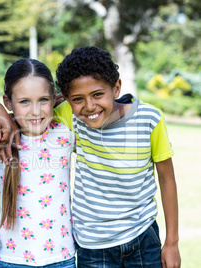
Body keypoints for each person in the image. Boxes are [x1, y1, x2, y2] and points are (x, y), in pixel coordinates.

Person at [54, 46, 181, 268]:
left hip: (142, 237)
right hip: (92, 244)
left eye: (97, 94)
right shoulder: (69, 116)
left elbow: (167, 179)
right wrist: (0, 111)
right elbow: (25, 112)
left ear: (116, 88)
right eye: (77, 99)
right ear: (66, 98)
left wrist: (172, 243)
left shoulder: (149, 120)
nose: (89, 106)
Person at [0, 59, 76, 268]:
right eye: (25, 102)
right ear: (8, 102)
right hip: (10, 257)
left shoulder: (65, 134)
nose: (36, 111)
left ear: (54, 98)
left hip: (61, 256)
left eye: (43, 100)